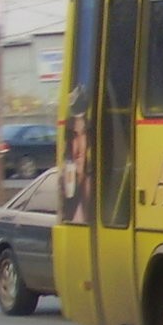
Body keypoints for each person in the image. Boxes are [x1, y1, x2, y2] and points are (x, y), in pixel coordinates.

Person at [62, 86, 93, 224]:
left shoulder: (93, 186)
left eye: (83, 134)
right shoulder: (65, 183)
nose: (78, 146)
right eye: (73, 136)